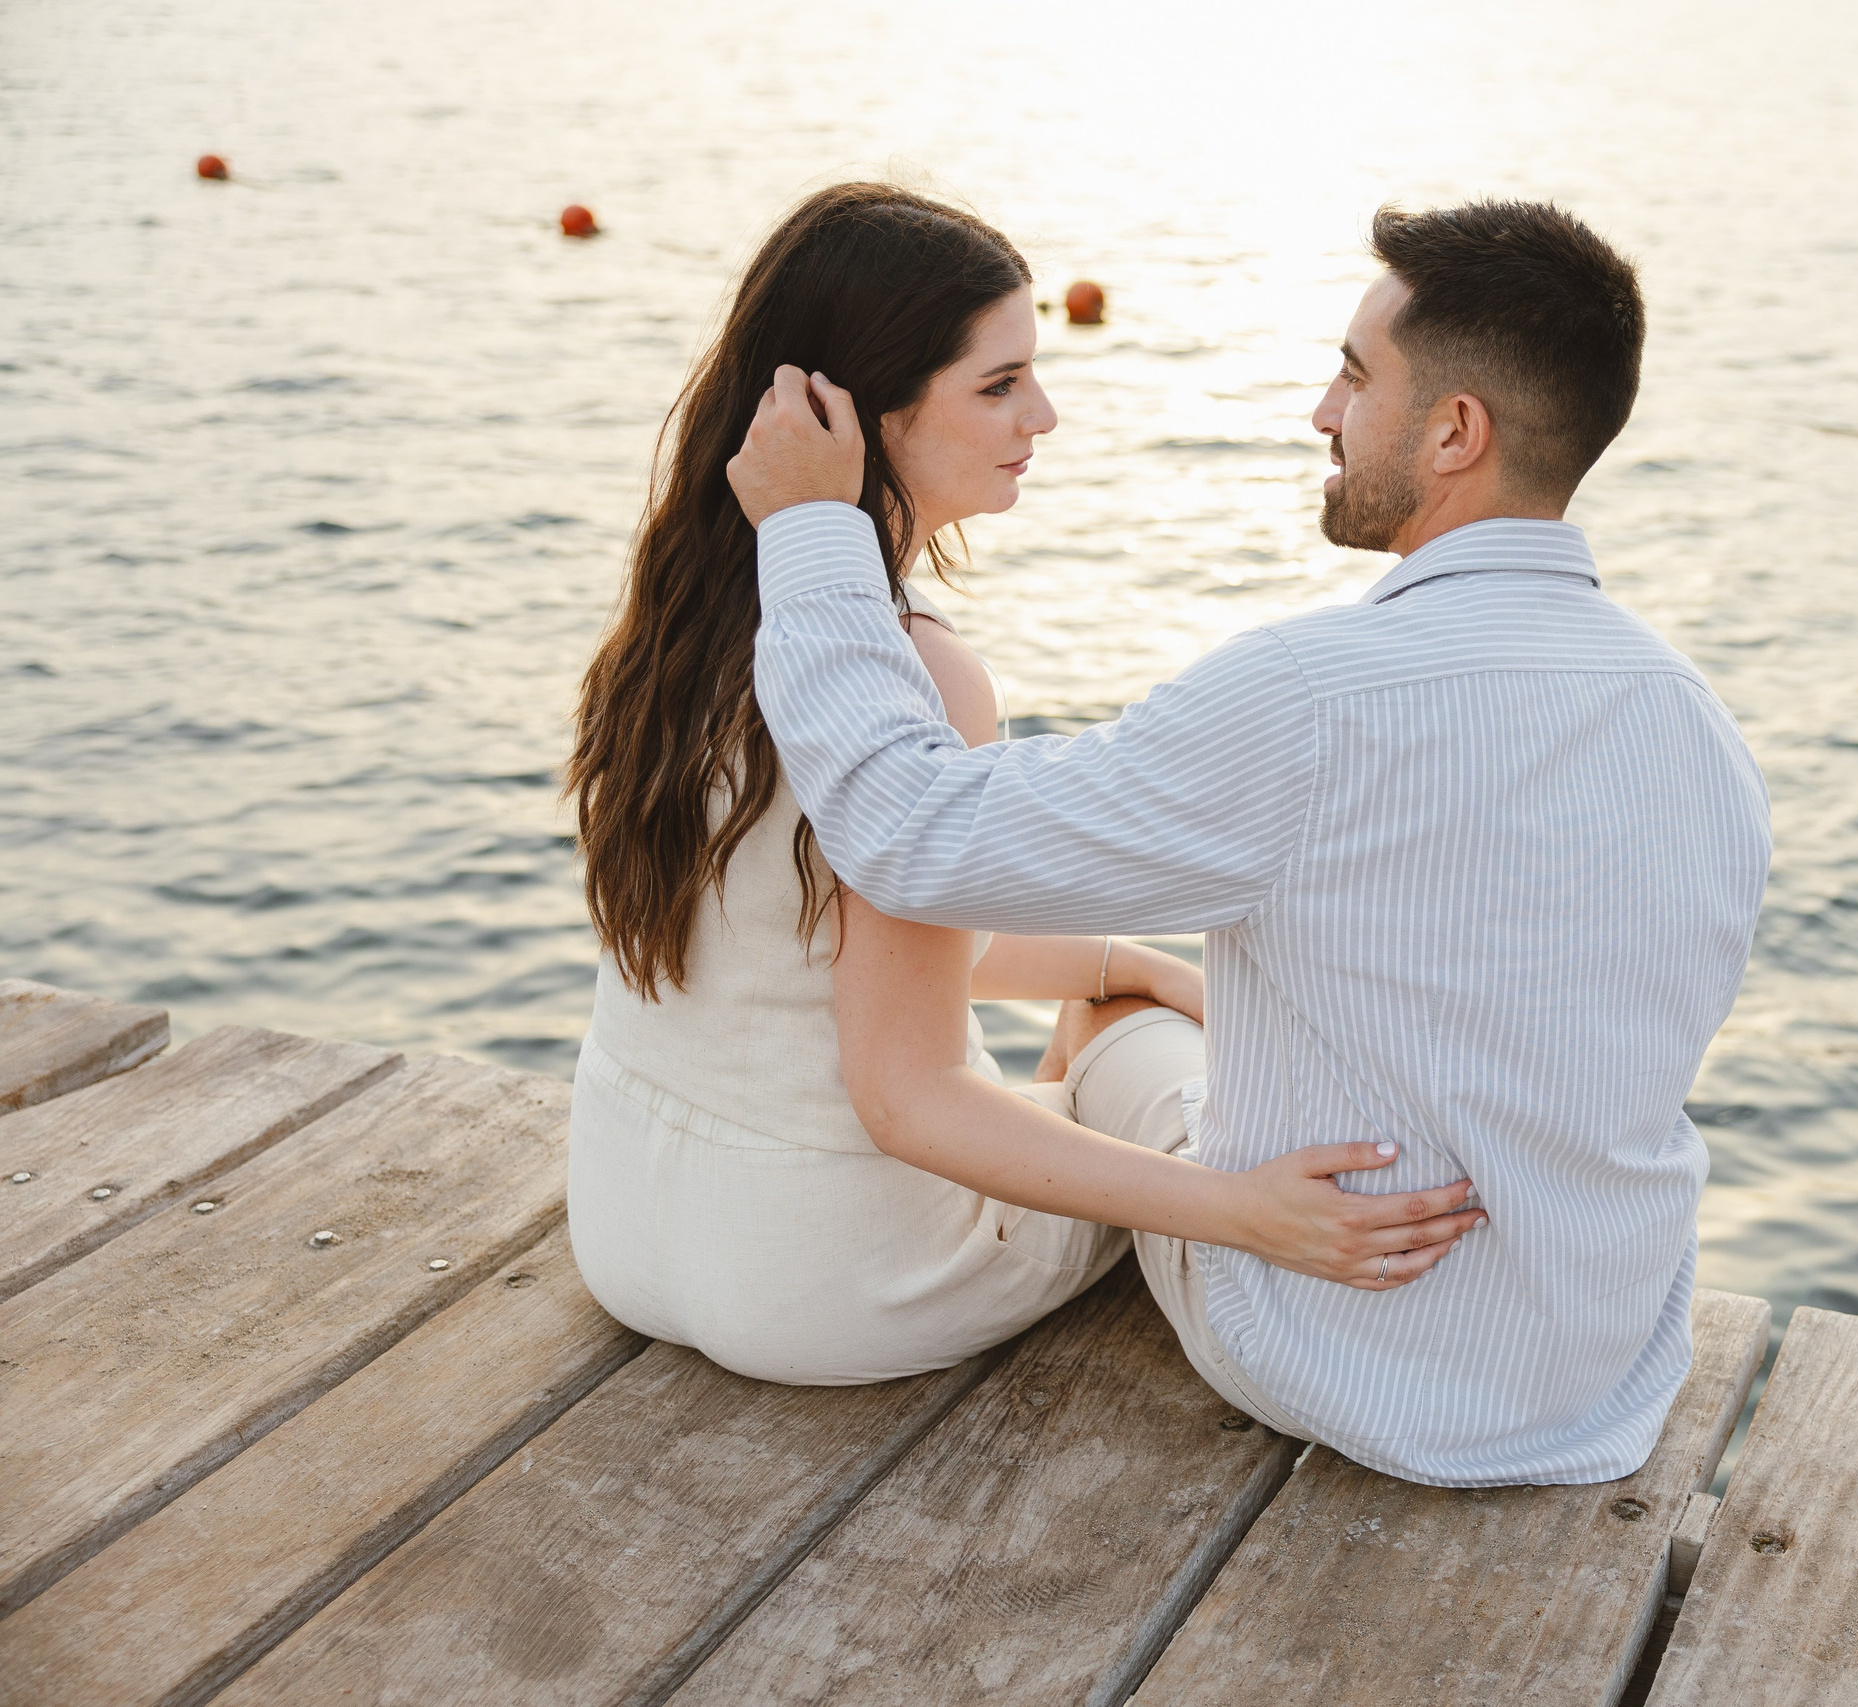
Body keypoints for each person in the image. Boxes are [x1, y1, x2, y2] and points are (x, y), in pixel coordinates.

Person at [732, 199, 1771, 1486]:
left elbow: (903, 834)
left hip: (1335, 1345)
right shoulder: (1696, 724)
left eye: (1353, 376)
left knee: (1117, 1026)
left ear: (1455, 433)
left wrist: (811, 534)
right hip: (1601, 1363)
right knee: (1168, 999)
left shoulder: (1312, 696)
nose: (1322, 413)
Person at [562, 184, 1475, 1385]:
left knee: (1112, 1000)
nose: (1040, 415)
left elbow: (813, 943)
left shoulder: (683, 625)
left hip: (626, 1226)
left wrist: (1126, 959)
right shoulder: (913, 670)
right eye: (997, 386)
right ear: (859, 416)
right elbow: (911, 1099)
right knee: (1120, 1053)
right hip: (833, 1284)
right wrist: (1239, 1206)